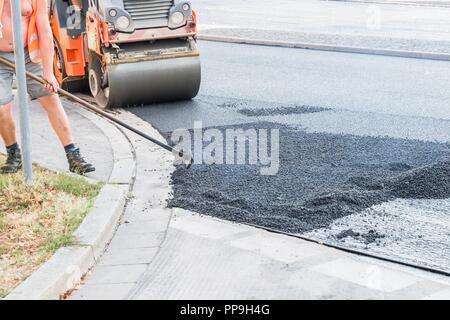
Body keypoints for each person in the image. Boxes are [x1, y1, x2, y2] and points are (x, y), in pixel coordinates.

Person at [0, 0, 95, 175]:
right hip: (0, 58)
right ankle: (14, 154)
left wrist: (48, 72)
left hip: (29, 53)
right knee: (1, 108)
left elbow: (44, 30)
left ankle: (73, 156)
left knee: (51, 99)